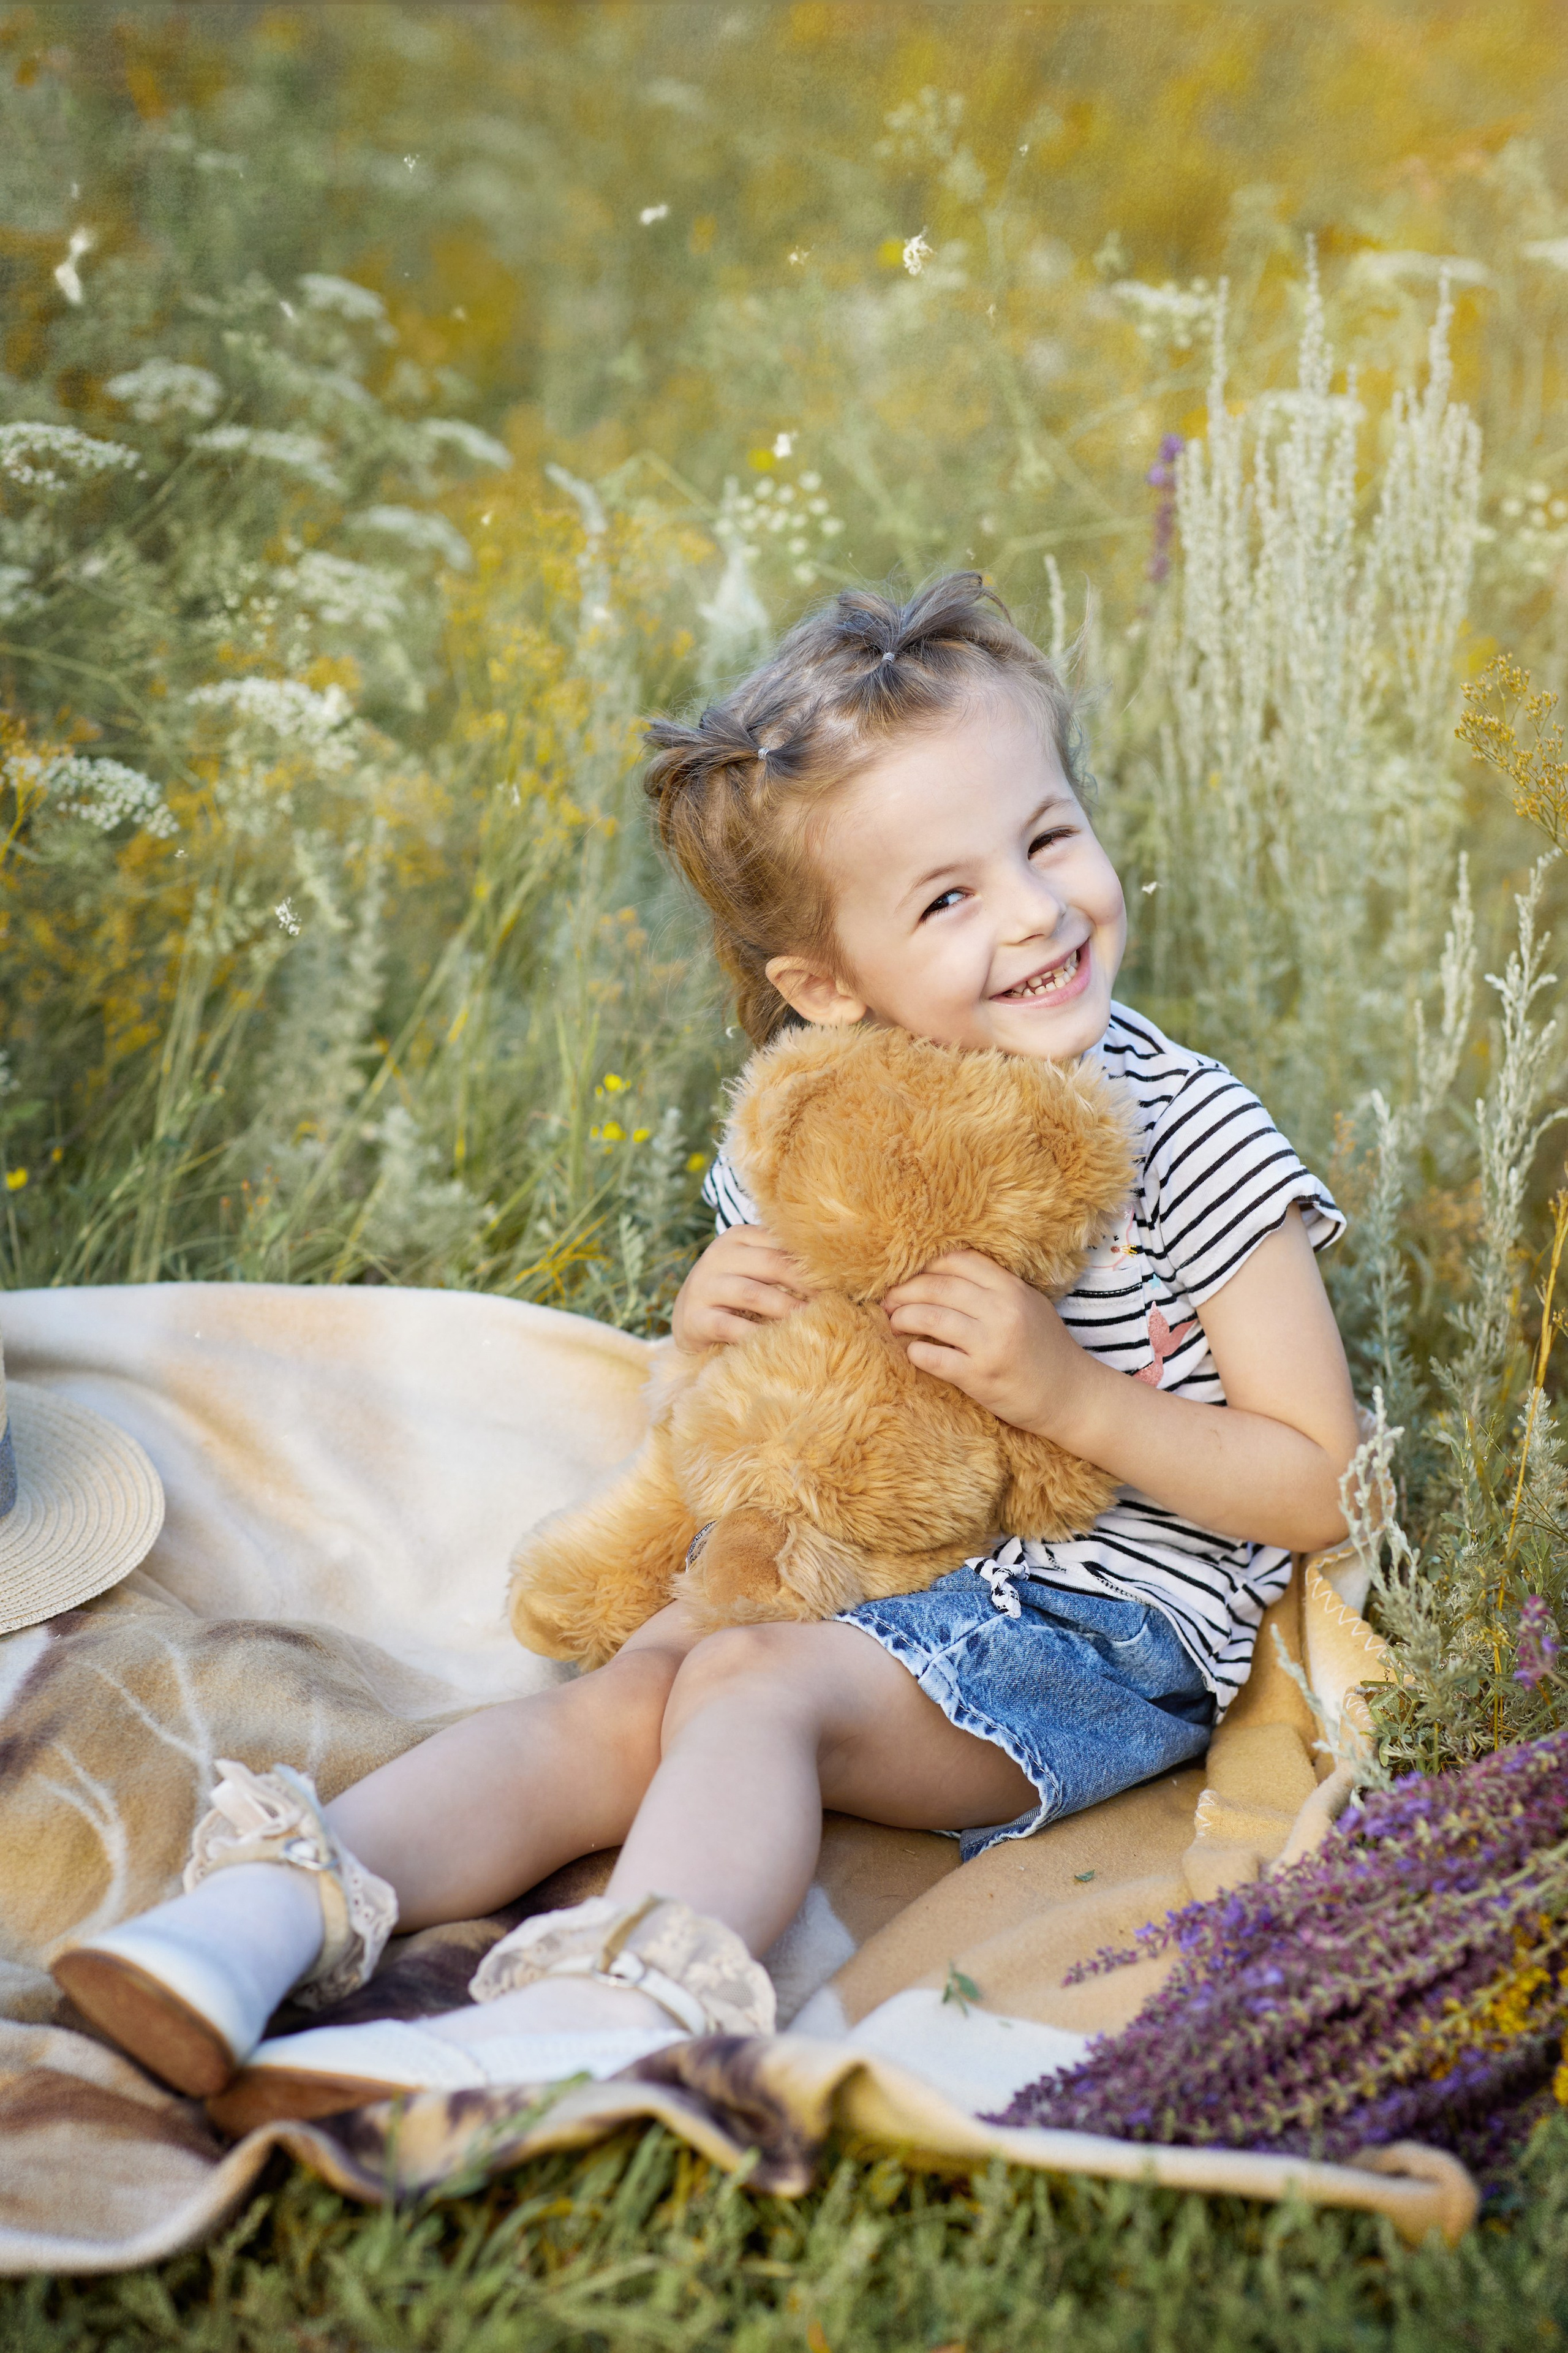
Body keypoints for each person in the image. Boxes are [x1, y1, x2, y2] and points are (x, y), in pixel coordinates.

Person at [56, 575, 1360, 2118]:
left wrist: (1068, 1395)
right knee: (632, 1688)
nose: (1031, 912)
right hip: (851, 1561)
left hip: (1102, 1633)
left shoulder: (1193, 1134)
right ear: (824, 988)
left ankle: (620, 2001)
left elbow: (1314, 1484)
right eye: (945, 898)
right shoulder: (822, 1117)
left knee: (743, 1688)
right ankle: (272, 1907)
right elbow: (790, 1379)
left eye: (1045, 836)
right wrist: (707, 1318)